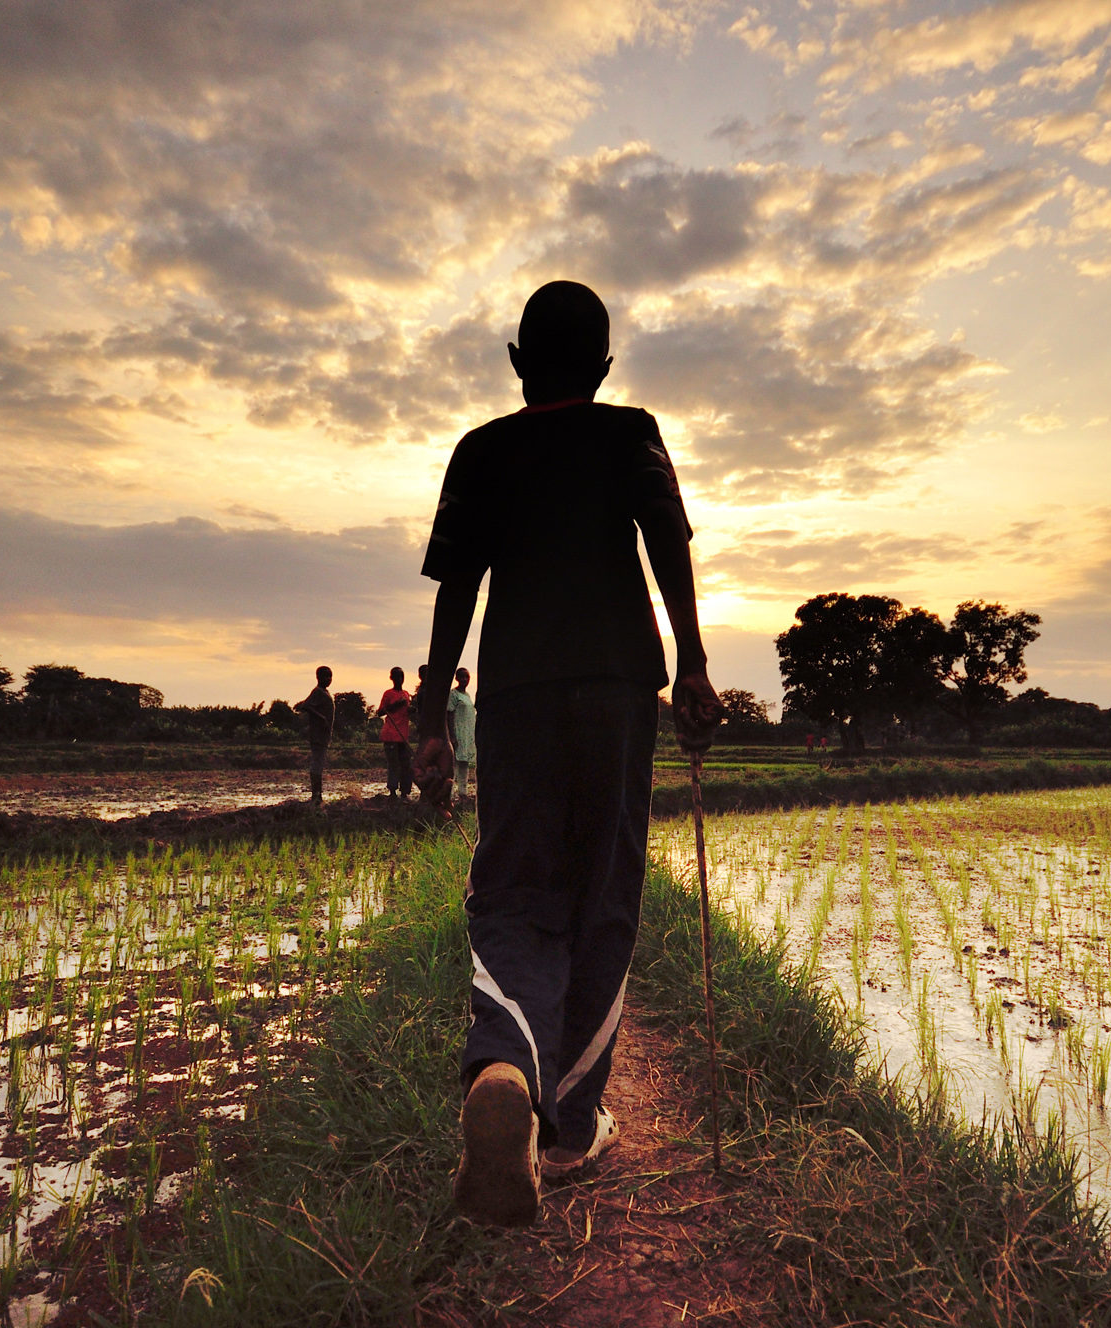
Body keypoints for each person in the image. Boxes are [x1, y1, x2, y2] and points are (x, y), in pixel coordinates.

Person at [413, 280, 722, 1228]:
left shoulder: (481, 450)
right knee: (603, 891)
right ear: (601, 366)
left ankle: (504, 1065)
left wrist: (432, 707)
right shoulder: (631, 430)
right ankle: (568, 1126)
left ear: (515, 363)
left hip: (515, 694)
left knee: (515, 885)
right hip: (621, 687)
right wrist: (695, 669)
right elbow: (668, 548)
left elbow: (456, 588)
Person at [292, 666, 335, 806]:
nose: (328, 679)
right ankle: (316, 796)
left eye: (330, 676)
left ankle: (317, 795)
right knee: (317, 763)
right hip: (317, 734)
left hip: (323, 734)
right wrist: (321, 717)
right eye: (325, 676)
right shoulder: (317, 692)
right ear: (318, 677)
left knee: (319, 763)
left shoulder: (324, 692)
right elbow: (306, 706)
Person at [378, 666, 412, 800]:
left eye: (401, 676)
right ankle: (392, 792)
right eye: (397, 676)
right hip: (391, 734)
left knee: (406, 765)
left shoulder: (406, 694)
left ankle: (405, 793)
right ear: (391, 678)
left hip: (403, 735)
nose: (399, 679)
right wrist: (396, 705)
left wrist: (410, 710)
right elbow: (380, 712)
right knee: (394, 765)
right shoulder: (388, 694)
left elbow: (406, 712)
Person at [446, 667, 477, 802]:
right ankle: (449, 795)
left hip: (467, 734)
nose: (464, 679)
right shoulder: (453, 694)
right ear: (457, 678)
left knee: (464, 763)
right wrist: (452, 735)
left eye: (467, 677)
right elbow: (449, 714)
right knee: (454, 764)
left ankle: (463, 793)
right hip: (458, 733)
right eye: (462, 677)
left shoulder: (467, 695)